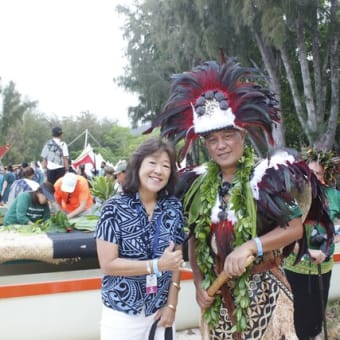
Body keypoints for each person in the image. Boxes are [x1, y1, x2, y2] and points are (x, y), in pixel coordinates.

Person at [146, 59, 334, 339]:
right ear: (205, 145)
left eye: (228, 135)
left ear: (242, 135)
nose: (221, 145)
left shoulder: (266, 177)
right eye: (212, 140)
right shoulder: (197, 185)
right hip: (218, 301)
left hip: (266, 297)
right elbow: (197, 242)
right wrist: (198, 283)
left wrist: (251, 245)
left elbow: (294, 227)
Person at [95, 137, 185, 340]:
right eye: (152, 163)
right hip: (123, 313)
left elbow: (175, 262)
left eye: (165, 166)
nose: (159, 171)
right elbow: (108, 264)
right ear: (138, 165)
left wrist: (172, 304)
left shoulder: (173, 207)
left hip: (161, 310)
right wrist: (156, 265)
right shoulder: (113, 208)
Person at [284, 157, 340, 340]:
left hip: (323, 268)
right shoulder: (291, 195)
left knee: (316, 318)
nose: (313, 178)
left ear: (324, 176)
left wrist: (332, 241)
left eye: (318, 174)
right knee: (297, 320)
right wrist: (305, 251)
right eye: (310, 173)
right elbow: (282, 232)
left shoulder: (333, 195)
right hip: (294, 268)